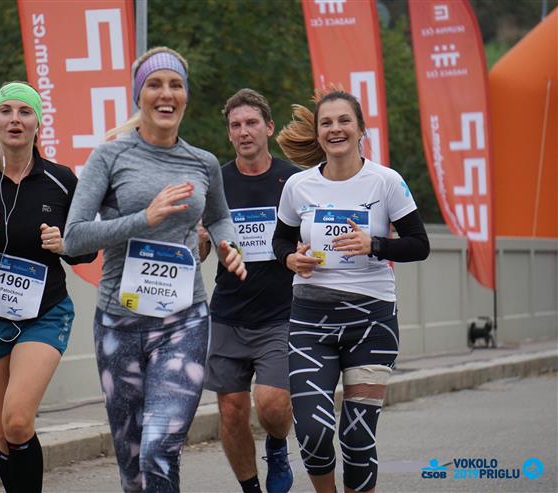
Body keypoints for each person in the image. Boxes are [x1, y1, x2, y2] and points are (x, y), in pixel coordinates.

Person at [63, 47, 246, 493]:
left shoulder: (202, 163)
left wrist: (230, 246)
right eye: (155, 84)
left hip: (184, 321)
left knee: (159, 449)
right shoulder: (109, 157)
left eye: (176, 85)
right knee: (133, 467)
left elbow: (219, 217)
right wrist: (144, 218)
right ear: (138, 95)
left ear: (186, 95)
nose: (166, 94)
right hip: (119, 324)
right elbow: (74, 238)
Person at [0, 81, 96, 493]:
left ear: (38, 123)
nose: (15, 119)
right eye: (6, 111)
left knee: (19, 420)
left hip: (44, 313)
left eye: (25, 112)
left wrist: (65, 245)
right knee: (3, 433)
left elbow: (87, 251)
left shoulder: (61, 181)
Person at [272, 90, 430, 493]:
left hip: (372, 322)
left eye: (344, 120)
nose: (335, 129)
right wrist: (291, 259)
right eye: (326, 122)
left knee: (357, 438)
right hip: (311, 322)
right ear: (318, 133)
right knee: (312, 433)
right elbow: (281, 241)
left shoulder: (386, 181)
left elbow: (419, 245)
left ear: (361, 129)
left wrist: (374, 245)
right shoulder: (298, 185)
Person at [200, 88, 300, 493]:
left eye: (252, 123)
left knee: (273, 404)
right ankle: (251, 488)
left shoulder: (293, 180)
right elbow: (199, 252)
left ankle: (277, 445)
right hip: (228, 312)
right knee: (231, 410)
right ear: (229, 133)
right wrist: (200, 239)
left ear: (269, 127)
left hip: (281, 313)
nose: (244, 131)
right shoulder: (216, 183)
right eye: (236, 125)